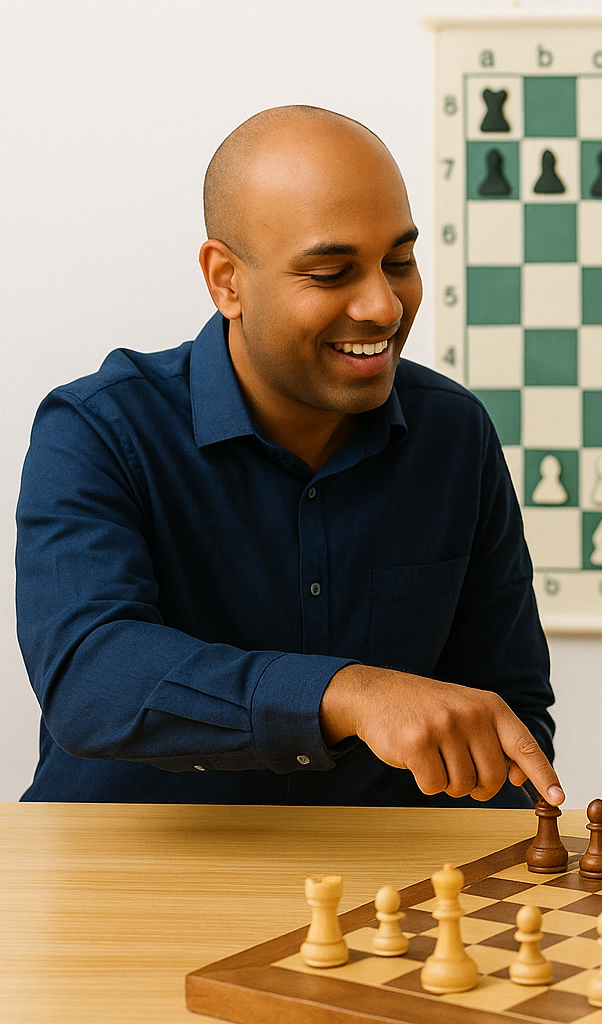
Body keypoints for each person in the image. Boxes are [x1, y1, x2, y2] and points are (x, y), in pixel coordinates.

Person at [16, 106, 563, 809]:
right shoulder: (96, 429)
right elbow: (90, 680)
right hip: (128, 882)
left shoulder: (454, 434)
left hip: (380, 899)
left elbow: (506, 712)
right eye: (333, 273)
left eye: (399, 262)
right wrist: (349, 692)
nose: (384, 306)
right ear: (226, 281)